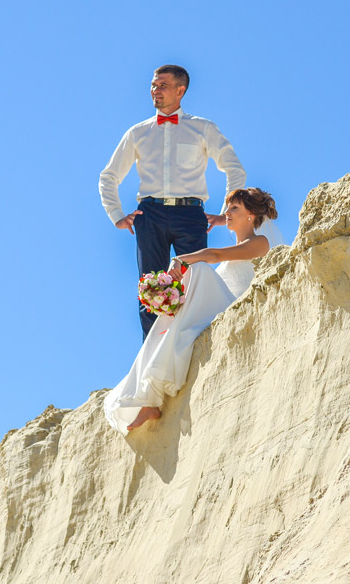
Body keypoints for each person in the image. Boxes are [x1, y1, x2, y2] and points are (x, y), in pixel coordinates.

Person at [104, 188, 282, 433]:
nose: (226, 213)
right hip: (223, 305)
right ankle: (148, 394)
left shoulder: (259, 242)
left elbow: (215, 254)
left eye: (234, 209)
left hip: (237, 307)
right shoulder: (244, 245)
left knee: (198, 270)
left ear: (251, 215)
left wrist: (183, 259)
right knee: (173, 312)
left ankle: (152, 393)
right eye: (228, 207)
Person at [99, 64, 247, 338]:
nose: (155, 90)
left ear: (181, 90)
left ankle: (192, 348)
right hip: (149, 215)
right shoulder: (137, 132)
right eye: (154, 85)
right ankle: (151, 358)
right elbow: (108, 176)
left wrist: (226, 213)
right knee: (150, 289)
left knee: (193, 285)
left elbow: (235, 169)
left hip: (191, 216)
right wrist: (117, 214)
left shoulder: (203, 128)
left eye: (163, 85)